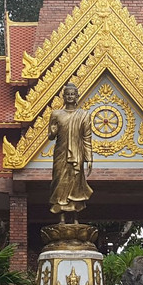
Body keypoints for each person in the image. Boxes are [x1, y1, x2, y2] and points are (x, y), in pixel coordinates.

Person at [48, 82, 93, 222]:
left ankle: (75, 218)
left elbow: (86, 138)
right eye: (67, 94)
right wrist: (53, 130)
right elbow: (50, 136)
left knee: (75, 184)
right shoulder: (56, 114)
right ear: (63, 97)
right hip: (61, 153)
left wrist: (89, 158)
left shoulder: (83, 115)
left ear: (77, 96)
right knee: (60, 182)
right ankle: (61, 218)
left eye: (73, 94)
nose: (70, 96)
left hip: (77, 154)